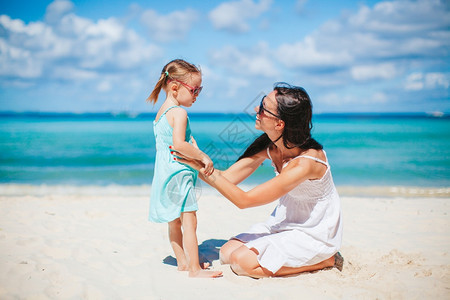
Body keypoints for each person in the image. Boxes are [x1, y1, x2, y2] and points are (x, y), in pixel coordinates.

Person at [174, 83, 343, 278]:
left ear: (280, 124)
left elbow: (244, 201)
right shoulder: (271, 145)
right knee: (227, 253)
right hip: (285, 223)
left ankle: (326, 259)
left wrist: (199, 164)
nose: (256, 110)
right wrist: (196, 159)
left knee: (242, 263)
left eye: (263, 108)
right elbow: (227, 178)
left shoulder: (306, 163)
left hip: (314, 233)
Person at [147, 59, 222, 278]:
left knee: (174, 221)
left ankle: (182, 262)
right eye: (195, 89)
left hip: (164, 174)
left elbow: (170, 142)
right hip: (179, 174)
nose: (197, 94)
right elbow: (179, 144)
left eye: (200, 89)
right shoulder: (179, 113)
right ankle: (194, 269)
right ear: (174, 87)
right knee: (190, 222)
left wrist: (192, 144)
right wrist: (202, 156)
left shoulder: (161, 112)